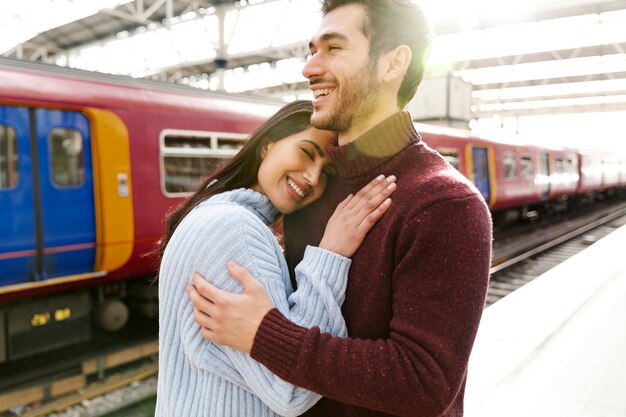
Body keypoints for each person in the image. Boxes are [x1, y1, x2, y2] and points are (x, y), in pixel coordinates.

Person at [187, 1, 493, 416]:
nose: (310, 68)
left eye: (334, 48)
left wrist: (265, 334)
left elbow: (425, 382)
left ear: (392, 64)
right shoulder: (314, 190)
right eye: (312, 50)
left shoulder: (443, 203)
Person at [155, 99, 397, 417]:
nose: (312, 177)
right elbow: (291, 389)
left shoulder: (214, 213)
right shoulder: (236, 228)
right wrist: (331, 253)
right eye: (307, 153)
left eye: (327, 172)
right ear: (267, 144)